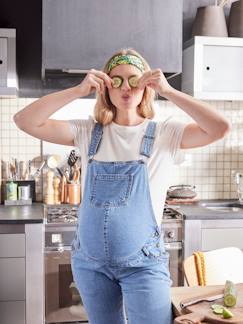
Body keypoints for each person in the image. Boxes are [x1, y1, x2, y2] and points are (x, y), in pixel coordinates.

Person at [14, 48, 230, 324]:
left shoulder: (166, 133)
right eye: (117, 80)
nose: (126, 88)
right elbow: (24, 120)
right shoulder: (87, 132)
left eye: (134, 79)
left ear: (147, 86)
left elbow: (220, 127)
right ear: (106, 87)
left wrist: (170, 91)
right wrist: (77, 91)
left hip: (143, 266)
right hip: (91, 266)